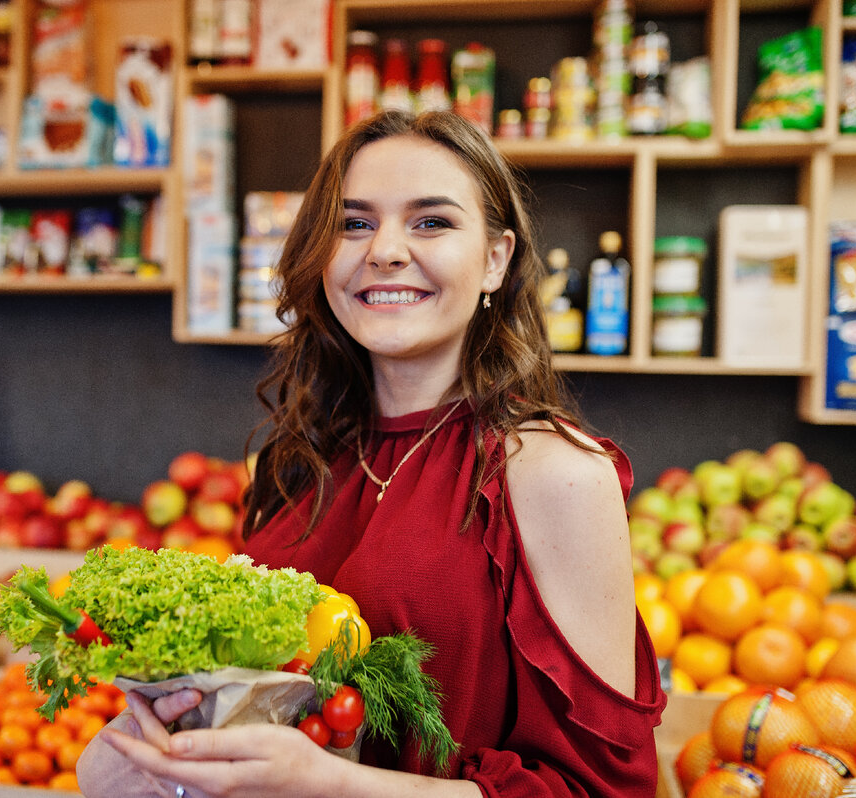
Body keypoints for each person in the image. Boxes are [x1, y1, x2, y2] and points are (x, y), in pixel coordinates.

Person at [77, 110, 665, 797]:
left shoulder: (554, 473)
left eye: (431, 222)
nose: (384, 250)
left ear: (495, 260)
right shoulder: (302, 459)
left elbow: (603, 792)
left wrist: (333, 787)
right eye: (354, 223)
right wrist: (157, 746)